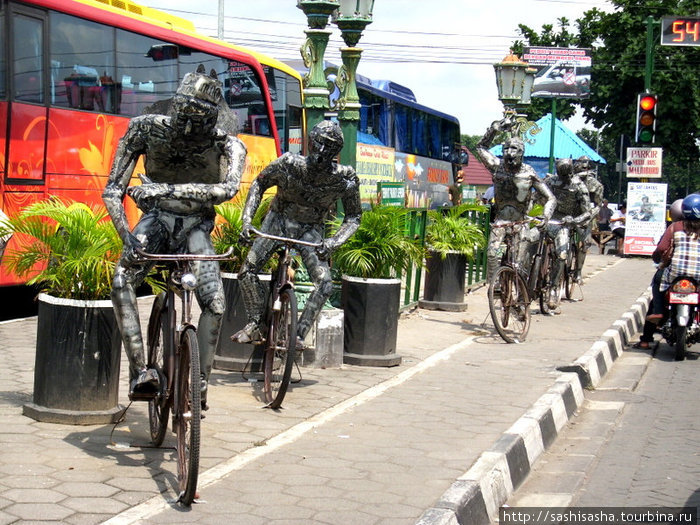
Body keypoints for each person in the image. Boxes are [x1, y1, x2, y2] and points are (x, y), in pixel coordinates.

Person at [103, 66, 246, 403]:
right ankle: (141, 370)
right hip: (157, 220)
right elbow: (112, 189)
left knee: (216, 303)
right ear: (174, 107)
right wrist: (125, 234)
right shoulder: (144, 129)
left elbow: (227, 189)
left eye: (198, 121)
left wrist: (164, 188)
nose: (187, 126)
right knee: (122, 279)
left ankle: (200, 383)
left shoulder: (230, 145)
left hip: (195, 227)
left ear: (212, 119)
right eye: (183, 115)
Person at [232, 120, 362, 346]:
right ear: (311, 142)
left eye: (329, 147)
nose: (322, 151)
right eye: (320, 144)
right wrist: (247, 221)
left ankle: (299, 335)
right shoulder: (288, 164)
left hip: (311, 230)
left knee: (325, 284)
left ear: (336, 152)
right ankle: (255, 324)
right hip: (277, 221)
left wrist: (334, 242)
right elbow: (259, 184)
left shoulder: (345, 178)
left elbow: (354, 217)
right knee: (247, 271)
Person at [476, 117, 556, 281]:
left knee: (518, 265)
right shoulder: (497, 167)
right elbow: (480, 147)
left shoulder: (529, 173)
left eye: (514, 149)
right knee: (493, 254)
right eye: (506, 149)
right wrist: (494, 129)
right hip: (501, 223)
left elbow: (550, 198)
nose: (509, 153)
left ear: (521, 152)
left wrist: (545, 217)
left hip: (521, 224)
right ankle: (496, 286)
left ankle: (520, 299)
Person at [635, 193, 700, 348]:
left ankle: (647, 335)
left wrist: (656, 259)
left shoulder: (675, 227)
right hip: (698, 274)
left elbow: (662, 248)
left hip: (675, 272)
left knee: (657, 281)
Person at [541, 158, 591, 310]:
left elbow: (587, 211)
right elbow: (536, 197)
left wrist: (575, 220)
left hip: (565, 222)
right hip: (548, 219)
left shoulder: (579, 185)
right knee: (527, 241)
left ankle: (554, 288)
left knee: (562, 254)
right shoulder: (550, 182)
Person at [573, 155, 603, 283]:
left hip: (585, 217)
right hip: (568, 214)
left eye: (585, 164)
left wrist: (589, 215)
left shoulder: (595, 185)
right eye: (580, 163)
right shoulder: (570, 180)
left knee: (584, 243)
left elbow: (598, 205)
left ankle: (578, 271)